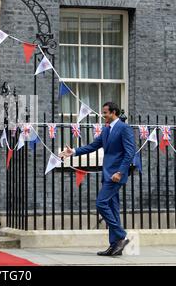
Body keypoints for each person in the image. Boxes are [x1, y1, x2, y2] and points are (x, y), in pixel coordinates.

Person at [59, 102, 135, 256]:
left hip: (116, 175)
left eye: (105, 112)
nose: (103, 115)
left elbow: (130, 152)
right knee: (113, 208)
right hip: (107, 174)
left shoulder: (124, 128)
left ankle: (121, 236)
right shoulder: (107, 130)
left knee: (101, 203)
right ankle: (115, 246)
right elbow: (93, 146)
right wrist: (73, 151)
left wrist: (120, 172)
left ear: (114, 113)